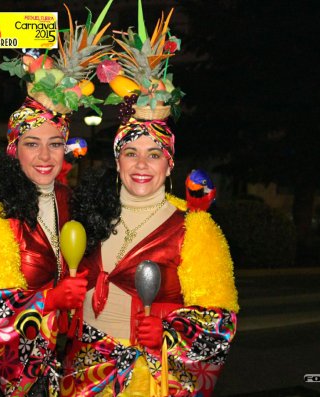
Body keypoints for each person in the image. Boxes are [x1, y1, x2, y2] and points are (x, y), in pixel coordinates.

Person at [62, 109, 239, 396]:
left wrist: (168, 334)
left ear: (169, 166)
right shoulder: (91, 216)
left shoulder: (194, 227)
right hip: (81, 376)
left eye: (154, 154)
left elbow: (220, 320)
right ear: (118, 162)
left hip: (146, 380)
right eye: (131, 153)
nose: (141, 164)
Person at [0, 96, 88, 397]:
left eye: (54, 144)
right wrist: (50, 301)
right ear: (14, 149)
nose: (45, 156)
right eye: (32, 143)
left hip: (50, 371)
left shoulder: (72, 203)